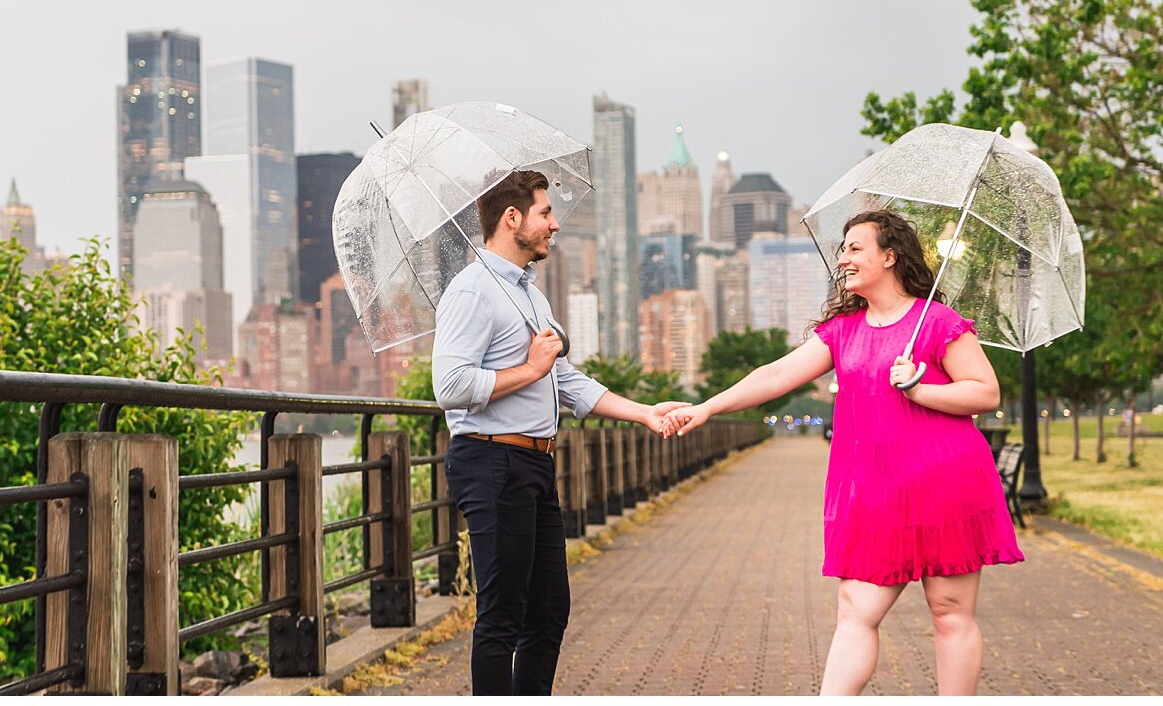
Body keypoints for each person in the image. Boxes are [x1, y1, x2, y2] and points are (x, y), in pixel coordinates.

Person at [666, 209, 1022, 695]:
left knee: (950, 612)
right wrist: (707, 407)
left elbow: (986, 393)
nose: (845, 258)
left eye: (856, 248)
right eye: (843, 249)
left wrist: (922, 390)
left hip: (945, 483)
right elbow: (775, 375)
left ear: (890, 256)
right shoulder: (842, 331)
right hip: (874, 492)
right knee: (856, 610)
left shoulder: (937, 322)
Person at [432, 169, 687, 695]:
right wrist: (528, 370)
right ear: (512, 218)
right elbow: (450, 386)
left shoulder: (529, 294)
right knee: (502, 615)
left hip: (534, 464)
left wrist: (644, 412)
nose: (554, 225)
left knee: (548, 611)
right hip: (492, 460)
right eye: (545, 213)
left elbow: (565, 381)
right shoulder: (472, 290)